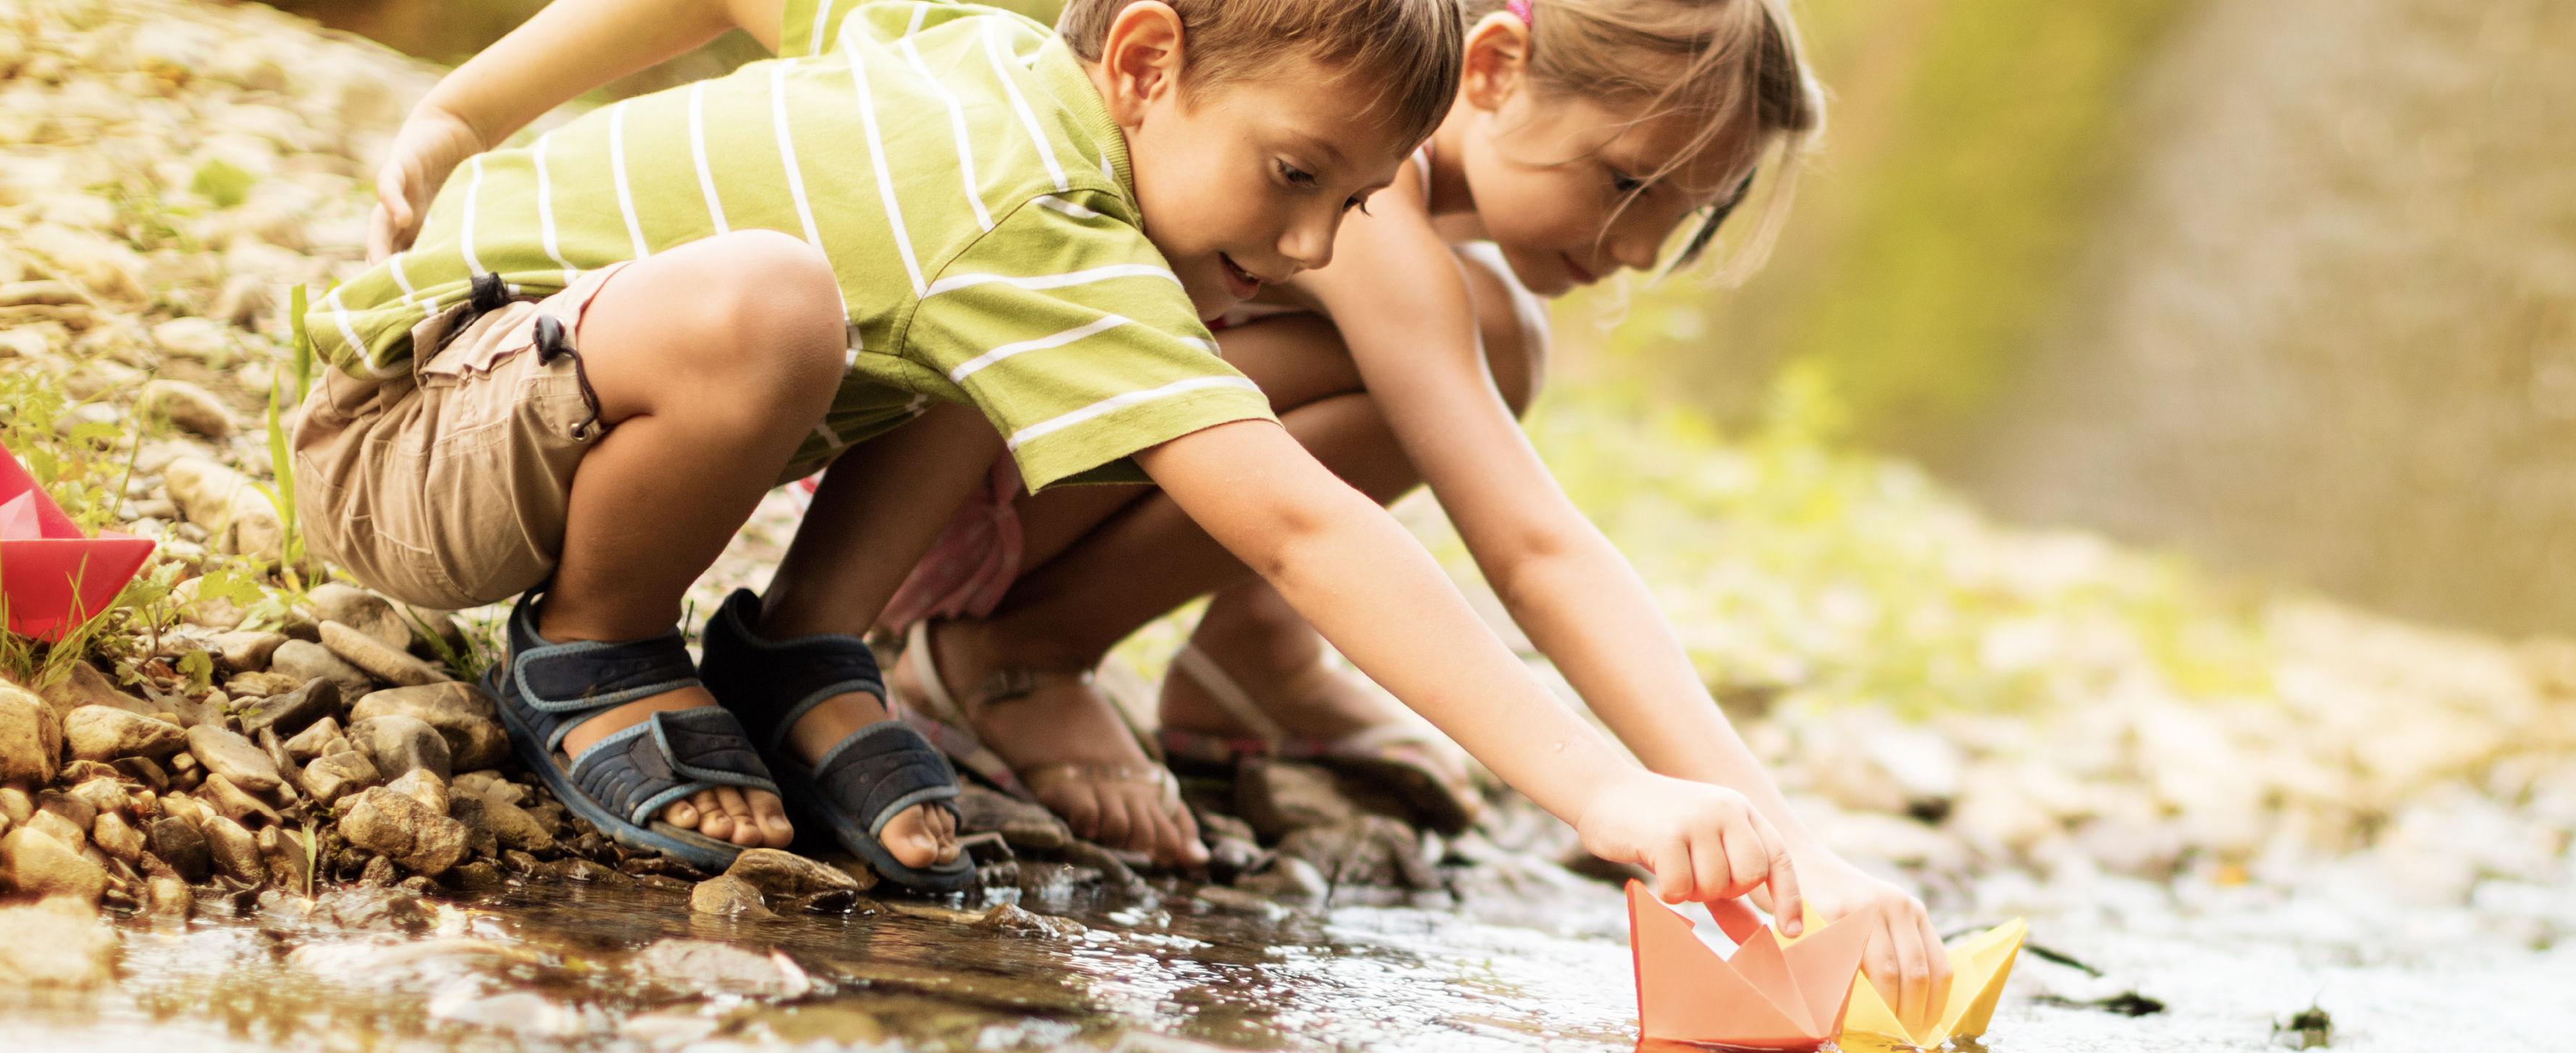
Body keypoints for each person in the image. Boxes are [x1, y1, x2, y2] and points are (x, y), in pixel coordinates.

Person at [307, 0, 1815, 933]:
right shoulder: (1035, 200)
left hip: (535, 411)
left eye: (1350, 207)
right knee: (804, 300)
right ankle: (599, 651)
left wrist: (464, 107)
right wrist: (1610, 791)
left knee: (999, 314)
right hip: (407, 438)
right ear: (1147, 61)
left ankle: (800, 650)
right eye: (1297, 179)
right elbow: (1314, 525)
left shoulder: (1008, 80)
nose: (1312, 241)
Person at [852, 0, 1954, 1009]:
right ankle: (1016, 650)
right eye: (1627, 184)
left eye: (1684, 216)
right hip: (914, 503)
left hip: (988, 486)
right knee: (1458, 344)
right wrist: (1784, 844)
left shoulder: (1374, 201)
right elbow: (1531, 548)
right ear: (1496, 67)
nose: (1638, 250)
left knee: (1493, 334)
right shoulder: (1354, 197)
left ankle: (1255, 657)